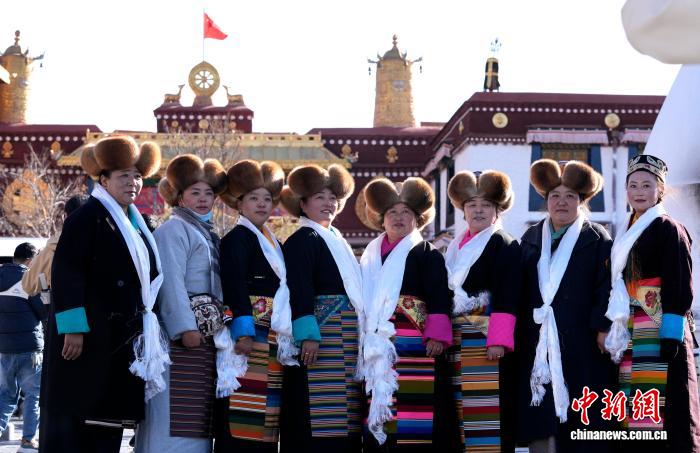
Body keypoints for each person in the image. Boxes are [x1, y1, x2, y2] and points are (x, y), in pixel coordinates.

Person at [40, 136, 165, 453]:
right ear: (104, 180)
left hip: (120, 336)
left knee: (108, 421)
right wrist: (73, 327)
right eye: (124, 176)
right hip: (89, 334)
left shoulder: (136, 223)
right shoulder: (86, 217)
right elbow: (67, 273)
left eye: (137, 176)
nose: (133, 182)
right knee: (82, 420)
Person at [517, 159, 616, 453]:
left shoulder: (596, 238)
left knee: (583, 413)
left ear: (581, 201)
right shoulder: (531, 238)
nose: (562, 202)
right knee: (542, 414)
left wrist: (602, 326)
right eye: (555, 196)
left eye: (570, 196)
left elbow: (608, 286)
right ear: (546, 200)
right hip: (539, 343)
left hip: (583, 342)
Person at [603, 155, 700, 450]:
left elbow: (679, 283)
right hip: (632, 326)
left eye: (647, 185)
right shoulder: (624, 229)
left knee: (667, 405)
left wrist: (671, 334)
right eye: (633, 185)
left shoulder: (669, 228)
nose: (639, 192)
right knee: (633, 402)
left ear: (661, 190)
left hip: (660, 328)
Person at [135, 154, 231, 452]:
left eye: (208, 193)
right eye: (195, 192)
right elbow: (172, 283)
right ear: (179, 197)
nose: (203, 199)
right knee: (174, 415)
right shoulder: (173, 229)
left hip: (203, 336)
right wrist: (184, 327)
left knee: (197, 416)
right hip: (181, 337)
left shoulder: (206, 232)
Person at [356, 177, 456, 452]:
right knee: (380, 399)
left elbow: (439, 296)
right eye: (392, 212)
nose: (398, 217)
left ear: (417, 218)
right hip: (377, 344)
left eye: (406, 212)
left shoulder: (427, 253)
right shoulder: (370, 255)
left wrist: (437, 335)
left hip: (414, 344)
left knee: (414, 407)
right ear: (382, 219)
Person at [278, 164, 362, 453]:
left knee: (347, 407)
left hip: (347, 336)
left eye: (332, 198)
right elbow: (299, 287)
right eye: (319, 197)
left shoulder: (337, 238)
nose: (328, 203)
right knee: (320, 410)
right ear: (302, 204)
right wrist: (307, 334)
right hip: (322, 334)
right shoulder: (302, 239)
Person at [214, 159, 288, 452]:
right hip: (249, 333)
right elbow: (234, 286)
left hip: (271, 336)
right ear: (239, 203)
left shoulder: (274, 242)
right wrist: (242, 330)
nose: (261, 204)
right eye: (253, 198)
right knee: (244, 406)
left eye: (267, 199)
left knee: (267, 410)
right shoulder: (236, 239)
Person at [445, 170, 520, 452]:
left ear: (497, 210)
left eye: (486, 205)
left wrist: (498, 339)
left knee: (486, 410)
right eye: (472, 205)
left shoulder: (503, 242)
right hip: (458, 340)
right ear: (463, 210)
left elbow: (508, 292)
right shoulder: (455, 245)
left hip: (485, 338)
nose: (478, 210)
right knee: (461, 410)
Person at [0, 243, 42, 452]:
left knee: (6, 395)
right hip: (30, 348)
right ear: (30, 260)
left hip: (4, 348)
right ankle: (27, 440)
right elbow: (43, 311)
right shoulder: (30, 278)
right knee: (33, 395)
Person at [22, 191, 89, 300]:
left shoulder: (53, 248)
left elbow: (28, 285)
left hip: (66, 307)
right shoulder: (109, 244)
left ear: (65, 217)